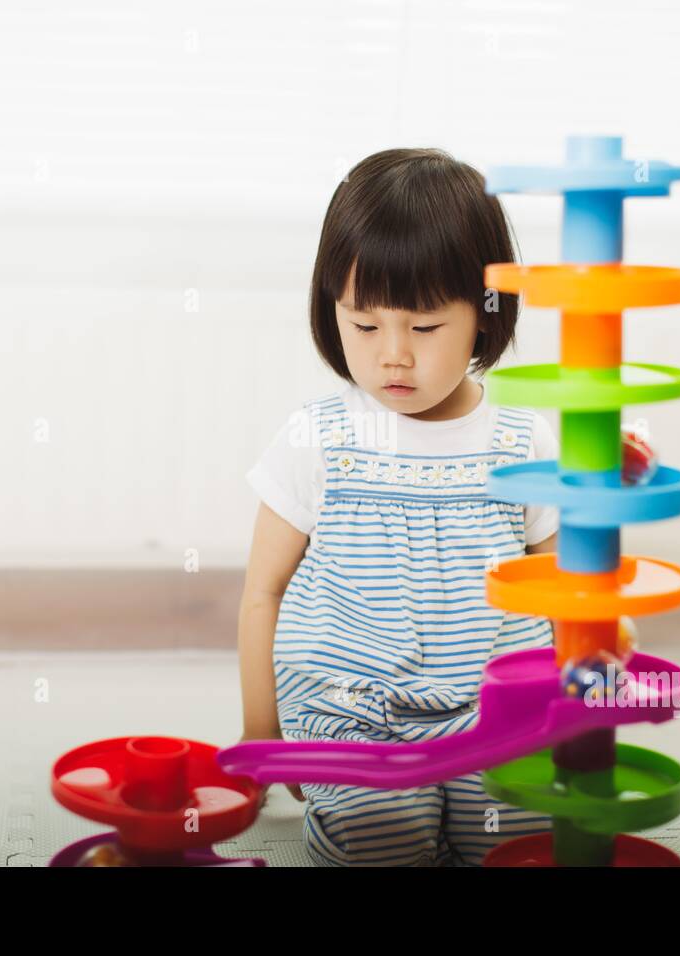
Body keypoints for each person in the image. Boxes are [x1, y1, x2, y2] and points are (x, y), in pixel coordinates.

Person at [238, 148, 559, 866]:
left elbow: (564, 593)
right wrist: (263, 736)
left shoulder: (521, 441)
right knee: (381, 844)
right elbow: (264, 591)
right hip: (351, 713)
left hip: (494, 715)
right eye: (363, 324)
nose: (393, 357)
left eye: (423, 329)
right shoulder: (317, 438)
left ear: (484, 314)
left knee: (517, 846)